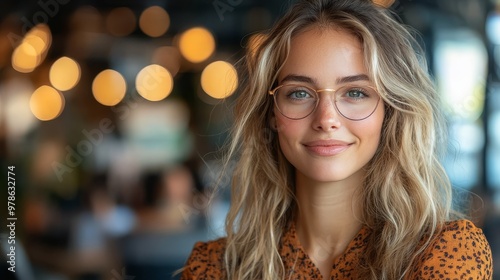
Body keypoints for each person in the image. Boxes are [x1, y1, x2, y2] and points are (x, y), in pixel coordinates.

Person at [181, 0, 493, 279]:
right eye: (299, 93)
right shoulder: (215, 267)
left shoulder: (444, 252)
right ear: (272, 114)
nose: (326, 119)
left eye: (355, 93)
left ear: (390, 111)